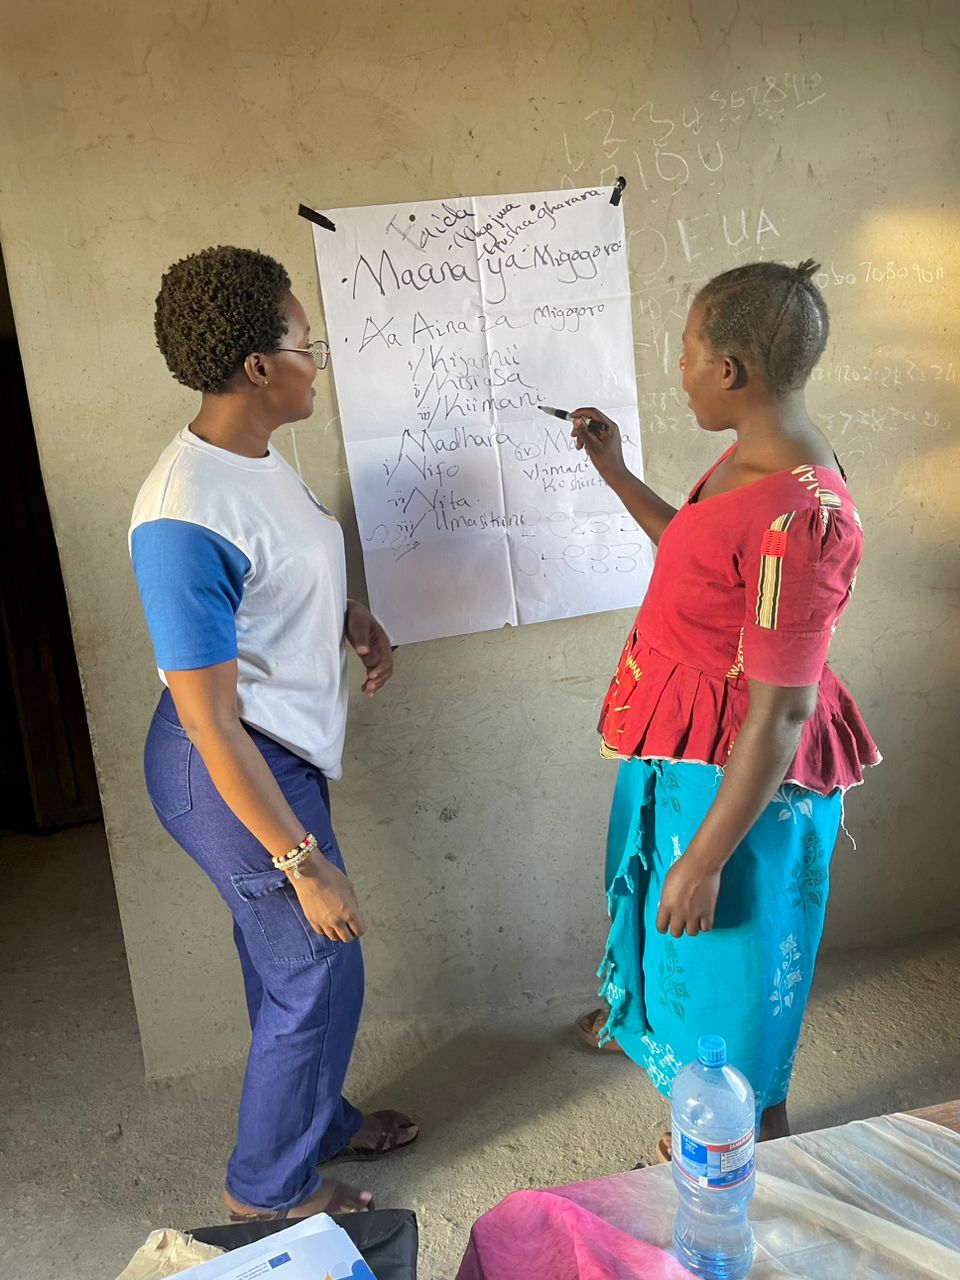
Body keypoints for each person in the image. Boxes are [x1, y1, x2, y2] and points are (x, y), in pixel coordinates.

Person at [130, 246, 418, 1221]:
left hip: (277, 750)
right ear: (259, 365)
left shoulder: (254, 460)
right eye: (306, 343)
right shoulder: (182, 515)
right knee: (316, 963)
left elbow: (274, 577)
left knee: (291, 960)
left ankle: (316, 1121)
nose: (318, 360)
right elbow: (208, 717)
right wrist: (301, 860)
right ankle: (266, 1192)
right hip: (226, 767)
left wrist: (347, 616)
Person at [572, 260, 880, 1157]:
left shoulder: (803, 518)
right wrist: (616, 474)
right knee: (685, 957)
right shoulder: (755, 460)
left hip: (742, 783)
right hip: (695, 755)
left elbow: (781, 713)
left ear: (732, 370)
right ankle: (699, 1106)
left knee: (734, 982)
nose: (680, 371)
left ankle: (746, 1147)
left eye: (687, 354)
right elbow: (698, 551)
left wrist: (706, 858)